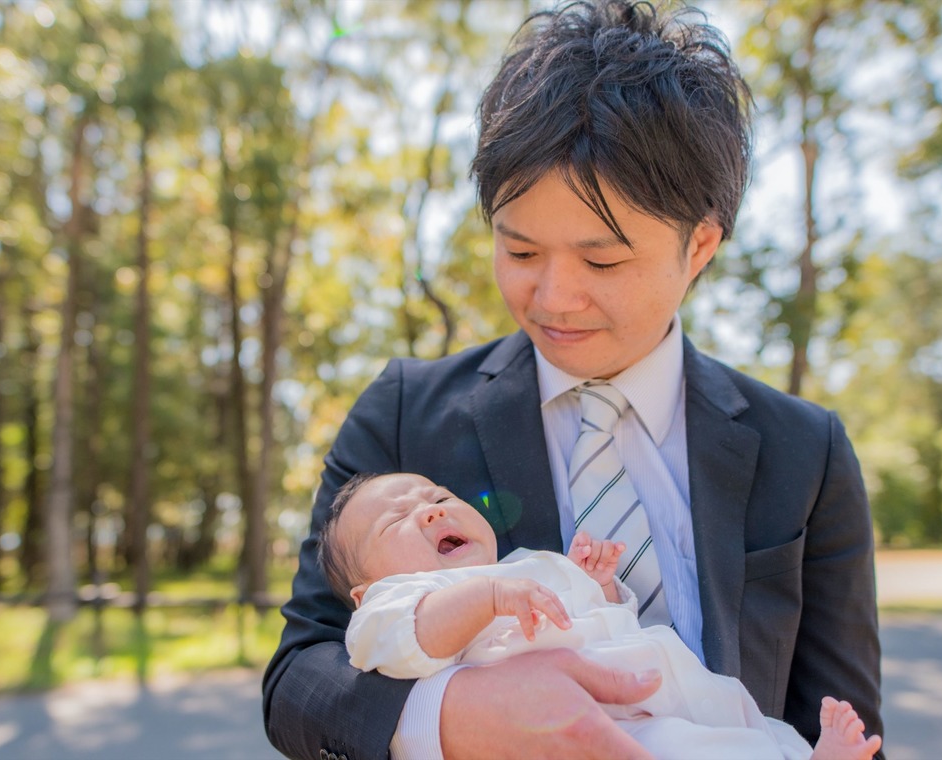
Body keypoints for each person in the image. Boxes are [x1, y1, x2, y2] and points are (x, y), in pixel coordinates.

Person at [262, 2, 883, 759]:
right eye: (520, 252)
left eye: (602, 261)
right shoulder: (404, 414)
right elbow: (300, 675)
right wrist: (450, 716)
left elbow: (849, 722)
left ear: (700, 246)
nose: (553, 298)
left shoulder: (804, 451)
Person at [321, 472, 883, 760]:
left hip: (669, 690)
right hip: (601, 728)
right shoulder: (393, 604)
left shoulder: (527, 564)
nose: (431, 509)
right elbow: (402, 638)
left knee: (744, 728)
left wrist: (597, 583)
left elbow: (603, 617)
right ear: (366, 591)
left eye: (435, 495)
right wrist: (487, 597)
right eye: (397, 520)